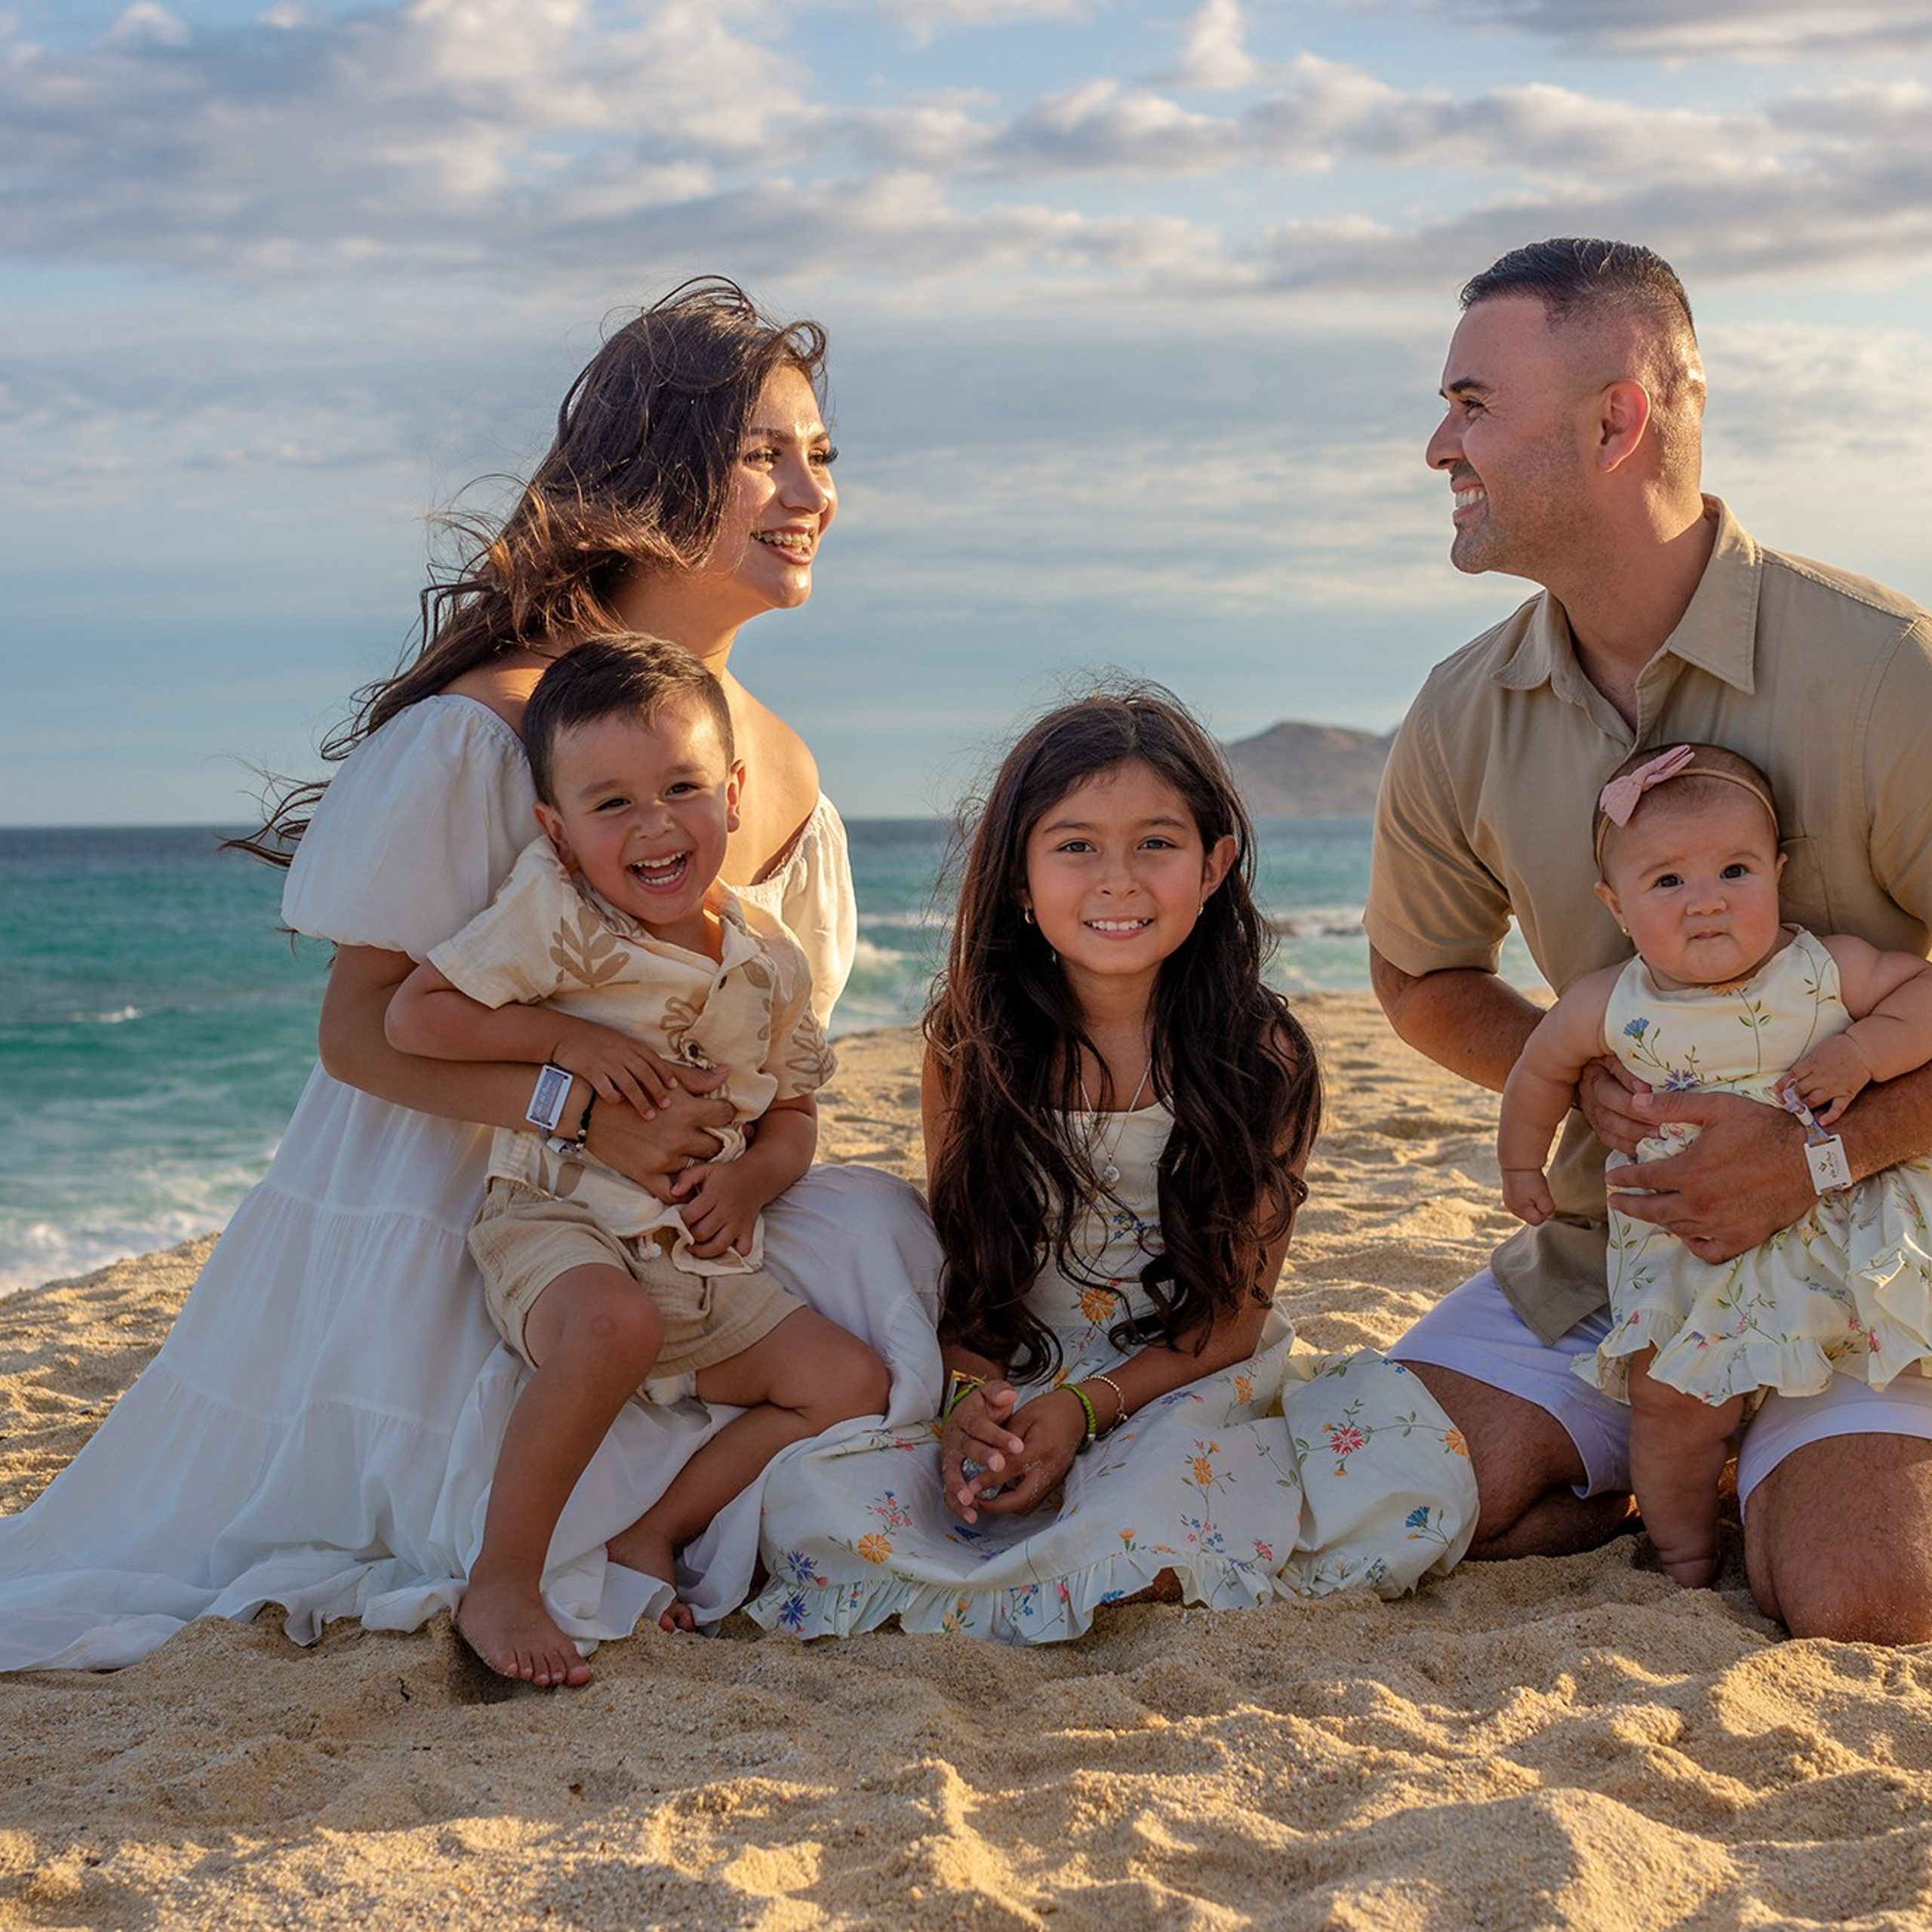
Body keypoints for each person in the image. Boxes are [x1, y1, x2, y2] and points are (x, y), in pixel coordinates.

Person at [0, 278, 940, 1674]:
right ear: (655, 468)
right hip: (459, 1216)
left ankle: (666, 1510)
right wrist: (580, 1104)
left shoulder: (786, 768)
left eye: (824, 458)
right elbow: (359, 1037)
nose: (811, 492)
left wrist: (739, 1168)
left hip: (687, 1214)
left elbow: (771, 1045)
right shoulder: (488, 726)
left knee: (887, 1260)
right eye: (765, 454)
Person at [1367, 236, 1932, 1641]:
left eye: (1472, 404)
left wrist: (1821, 1154)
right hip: (1619, 1252)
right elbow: (1422, 972)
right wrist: (1596, 1083)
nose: (1442, 444)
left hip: (1877, 1251)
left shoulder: (1883, 671)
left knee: (1864, 1593)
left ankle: (1801, 1469)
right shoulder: (1463, 708)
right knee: (1387, 1503)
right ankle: (1687, 1460)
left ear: (1617, 418)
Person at [748, 688, 1475, 1643]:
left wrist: (1085, 1410)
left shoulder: (1264, 1059)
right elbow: (975, 1275)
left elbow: (1232, 1320)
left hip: (1175, 1377)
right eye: (1076, 845)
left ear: (1214, 865)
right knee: (811, 1503)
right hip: (1019, 1370)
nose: (1118, 879)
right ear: (1017, 875)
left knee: (1154, 1527)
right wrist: (975, 1405)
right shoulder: (970, 1047)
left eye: (1157, 844)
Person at [386, 636, 891, 1684]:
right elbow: (414, 1015)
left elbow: (793, 1111)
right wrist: (567, 1045)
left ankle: (651, 1533)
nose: (655, 824)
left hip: (705, 1260)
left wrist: (756, 1177)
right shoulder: (557, 916)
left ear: (734, 794)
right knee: (617, 1324)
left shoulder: (770, 958)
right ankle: (505, 1579)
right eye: (610, 805)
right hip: (562, 1221)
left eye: (681, 788)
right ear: (557, 832)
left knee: (850, 1383)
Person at [1496, 741, 1932, 1587]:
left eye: (1734, 870)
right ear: (1614, 904)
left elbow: (1926, 989)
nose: (1705, 902)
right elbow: (1536, 1073)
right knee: (1673, 1404)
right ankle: (1686, 1551)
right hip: (1691, 1252)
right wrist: (1523, 1164)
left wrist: (1866, 1051)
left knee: (1881, 1345)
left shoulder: (1820, 970)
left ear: (1777, 871)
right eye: (1666, 882)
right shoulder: (1608, 1003)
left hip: (1832, 1238)